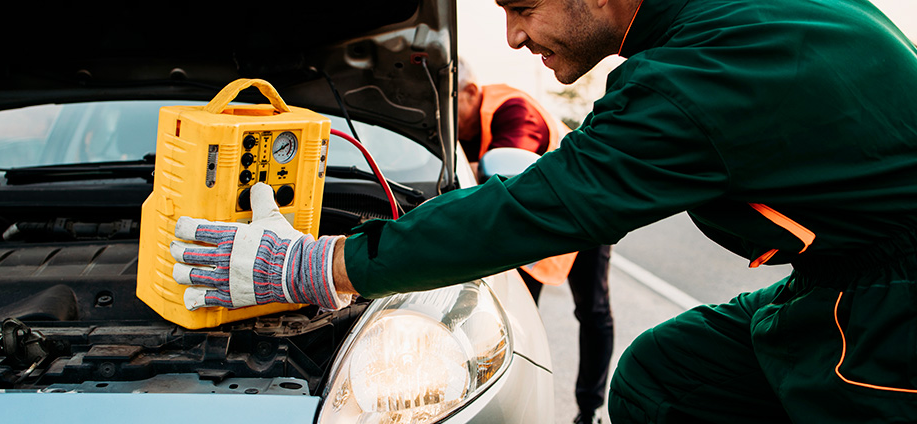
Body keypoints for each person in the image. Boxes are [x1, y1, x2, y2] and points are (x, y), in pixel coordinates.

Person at [171, 0, 917, 422]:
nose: (514, 37)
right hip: (837, 276)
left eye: (521, 8)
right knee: (668, 373)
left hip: (895, 307)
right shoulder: (725, 23)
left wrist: (324, 263)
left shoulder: (705, 71)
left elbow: (533, 205)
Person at [456, 56, 614, 424]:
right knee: (515, 314)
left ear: (470, 92)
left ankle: (589, 411)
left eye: (451, 105)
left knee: (592, 309)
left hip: (587, 208)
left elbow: (511, 175)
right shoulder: (462, 127)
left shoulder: (513, 110)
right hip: (536, 217)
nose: (446, 116)